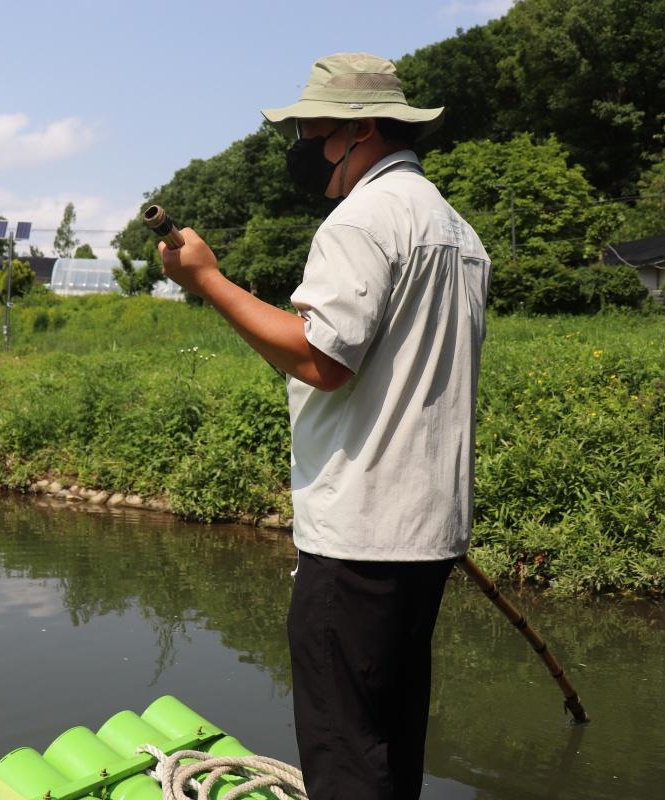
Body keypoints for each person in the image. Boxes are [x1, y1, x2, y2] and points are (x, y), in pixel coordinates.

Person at [158, 53, 490, 799]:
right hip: (426, 535)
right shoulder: (455, 228)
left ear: (360, 130)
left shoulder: (363, 219)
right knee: (391, 743)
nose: (302, 149)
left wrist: (207, 280)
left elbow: (321, 359)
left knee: (343, 754)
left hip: (359, 538)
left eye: (311, 133)